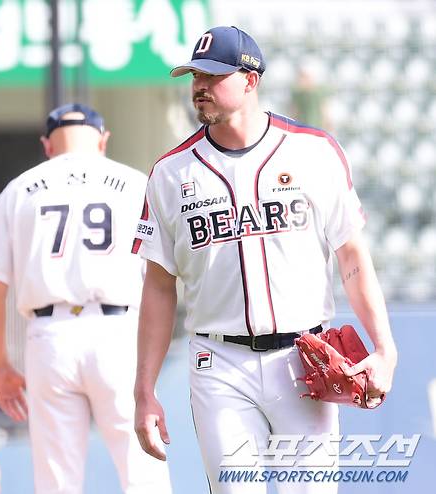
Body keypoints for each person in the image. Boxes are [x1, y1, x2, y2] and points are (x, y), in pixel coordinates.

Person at [132, 26, 397, 493]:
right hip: (218, 363)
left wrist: (384, 348)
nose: (199, 86)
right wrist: (144, 389)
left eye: (213, 75)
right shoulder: (170, 172)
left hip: (303, 358)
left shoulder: (313, 150)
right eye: (194, 75)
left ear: (250, 80)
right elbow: (157, 285)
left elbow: (352, 255)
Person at [0, 103, 172, 494]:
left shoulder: (21, 188)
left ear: (47, 144)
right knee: (143, 472)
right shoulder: (134, 183)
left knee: (57, 481)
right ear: (103, 140)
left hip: (50, 336)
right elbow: (164, 277)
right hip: (118, 332)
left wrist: (0, 365)